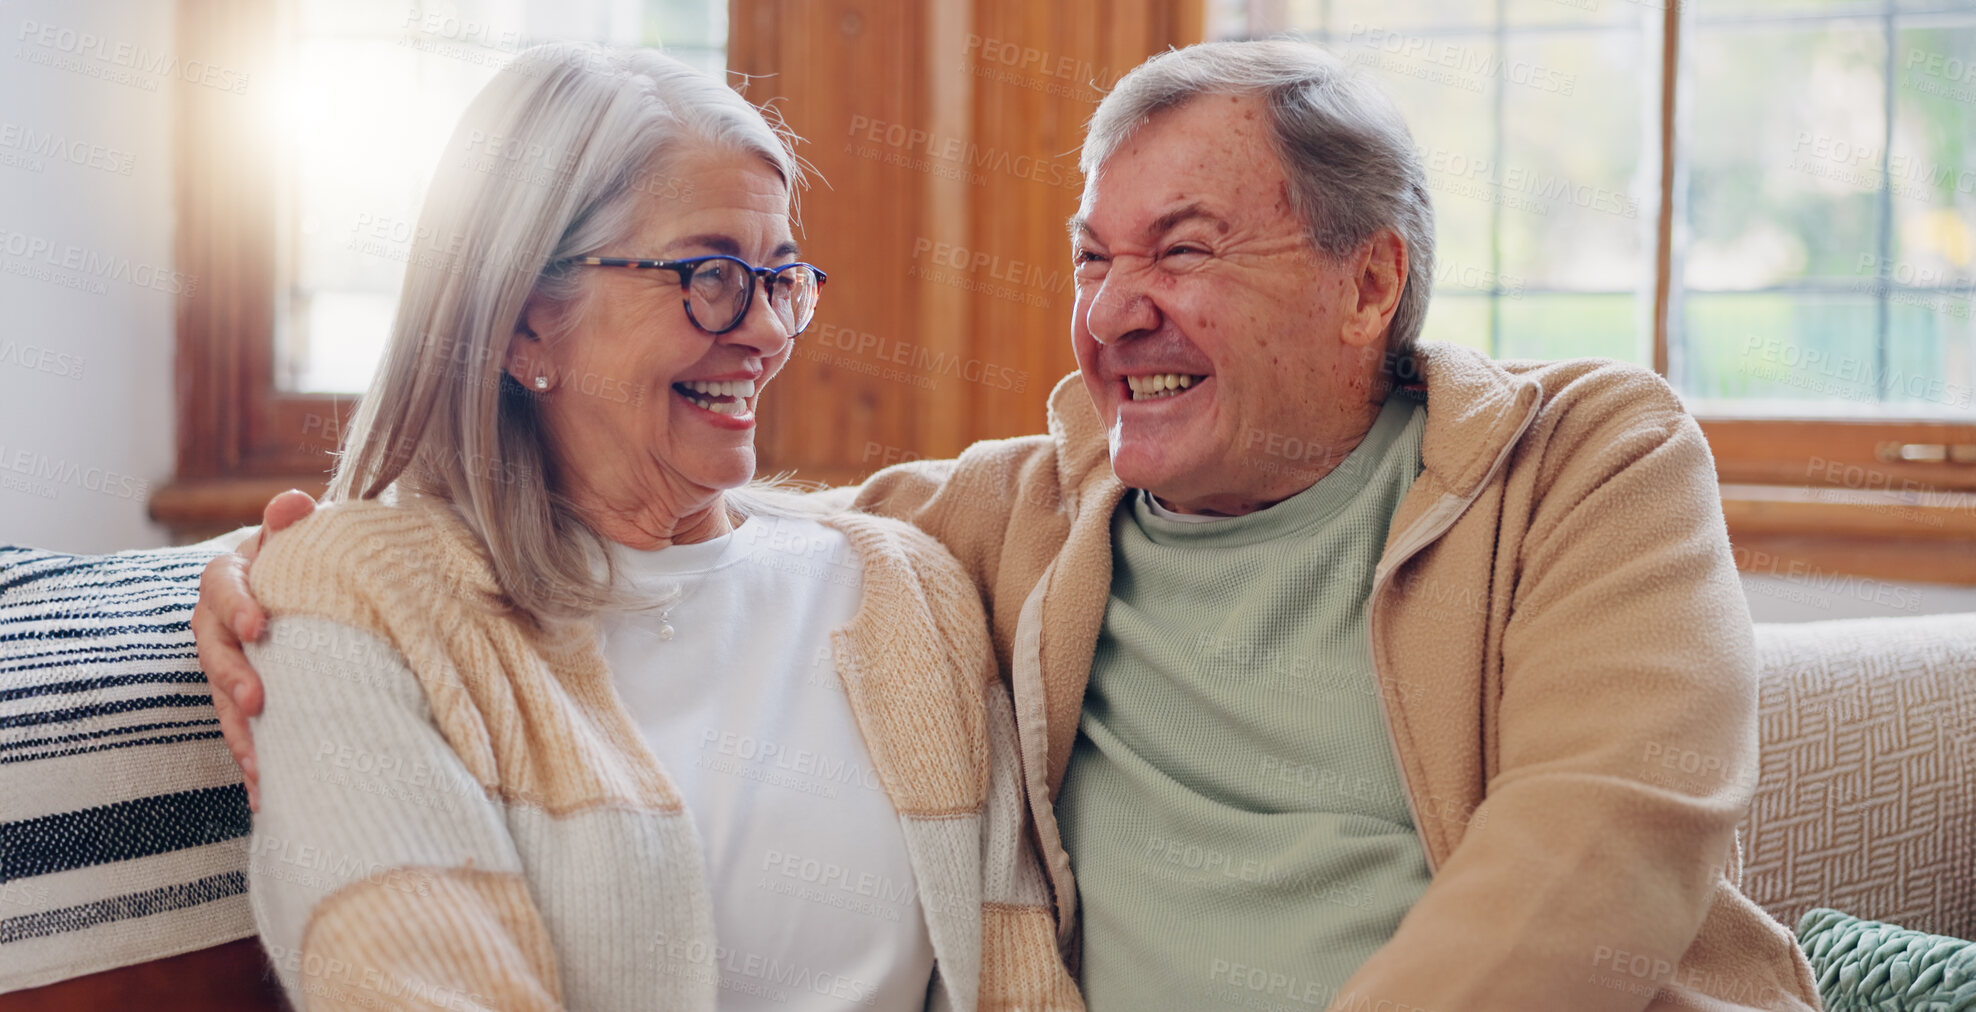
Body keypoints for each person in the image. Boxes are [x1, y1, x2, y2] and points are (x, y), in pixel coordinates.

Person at [197, 39, 1821, 1011]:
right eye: (1087, 255)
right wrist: (248, 578)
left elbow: (1597, 855)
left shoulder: (1582, 458)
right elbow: (667, 531)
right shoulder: (1012, 519)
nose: (1113, 310)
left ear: (1368, 279)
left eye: (1177, 248)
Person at [210, 42, 1080, 1012]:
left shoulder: (907, 590)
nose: (762, 330)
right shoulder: (361, 604)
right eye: (711, 275)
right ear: (525, 322)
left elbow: (1016, 979)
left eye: (781, 278)